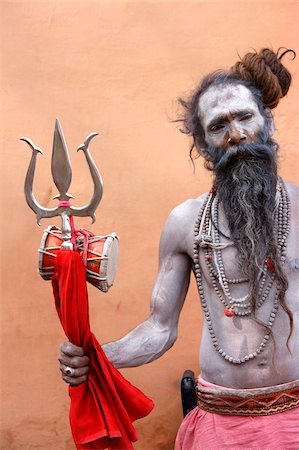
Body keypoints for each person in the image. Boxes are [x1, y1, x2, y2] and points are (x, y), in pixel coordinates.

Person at [59, 48, 299, 449]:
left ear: (267, 120)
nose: (236, 134)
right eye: (218, 125)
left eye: (245, 117)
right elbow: (159, 328)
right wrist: (98, 356)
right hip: (220, 427)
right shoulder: (185, 222)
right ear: (204, 144)